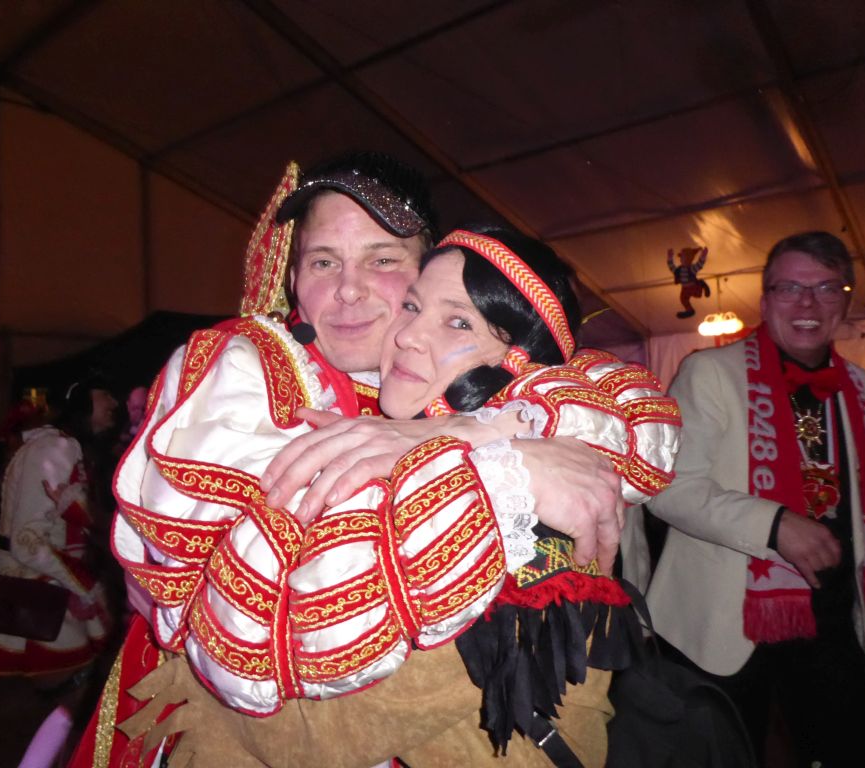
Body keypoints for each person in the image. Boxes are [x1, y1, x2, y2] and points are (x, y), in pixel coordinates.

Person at [69, 153, 677, 767]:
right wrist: (505, 472)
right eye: (323, 262)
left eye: (382, 260)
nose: (348, 289)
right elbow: (259, 629)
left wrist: (483, 431)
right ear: (293, 278)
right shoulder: (247, 366)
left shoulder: (439, 379)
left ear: (426, 270)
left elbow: (630, 409)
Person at [646, 231, 865, 766]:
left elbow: (853, 487)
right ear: (766, 298)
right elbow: (670, 488)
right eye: (790, 288)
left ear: (845, 301)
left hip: (830, 612)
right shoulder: (710, 373)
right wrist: (775, 525)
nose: (807, 304)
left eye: (825, 288)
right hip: (723, 618)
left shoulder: (861, 386)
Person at [0, 377, 117, 678]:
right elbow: (27, 542)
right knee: (56, 689)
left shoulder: (66, 446)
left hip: (51, 580)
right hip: (39, 593)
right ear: (82, 403)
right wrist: (84, 586)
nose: (114, 403)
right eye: (105, 394)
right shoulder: (56, 448)